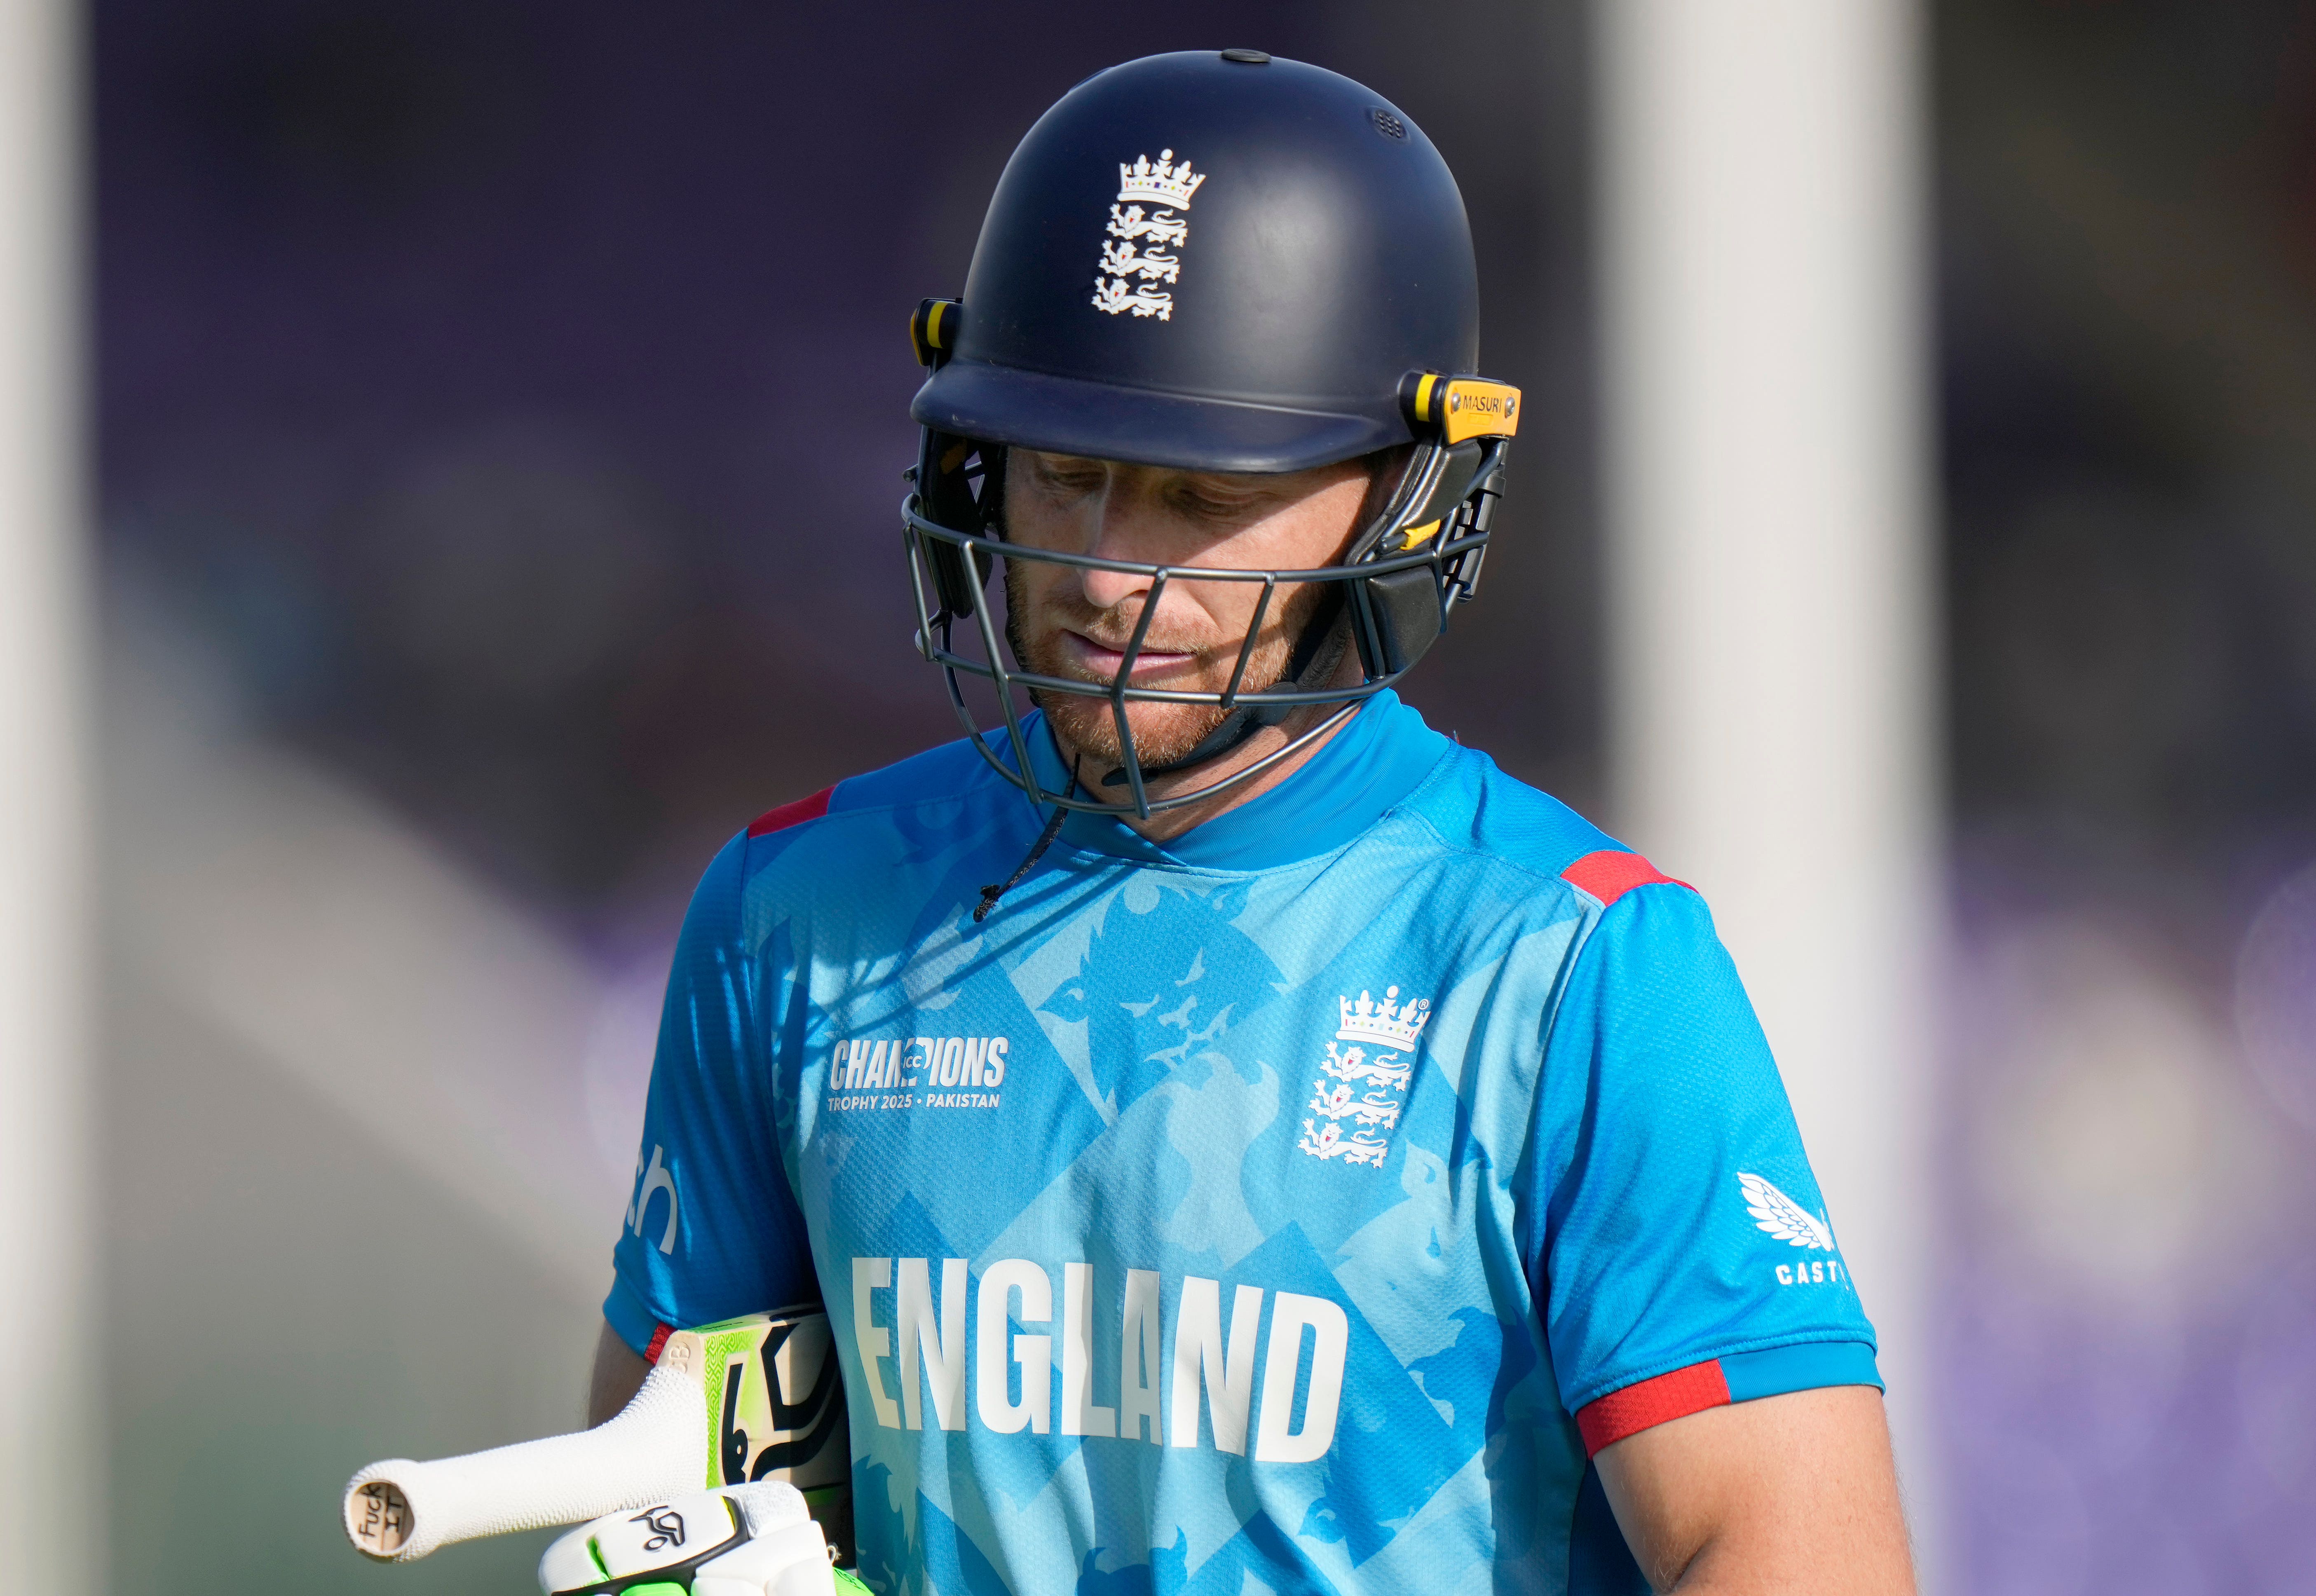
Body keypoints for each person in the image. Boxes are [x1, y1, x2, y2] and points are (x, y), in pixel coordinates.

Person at [592, 49, 1914, 1596]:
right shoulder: (793, 916)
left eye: (1198, 501)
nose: (1100, 574)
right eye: (1062, 474)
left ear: (1407, 497)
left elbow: (1789, 1555)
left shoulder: (1576, 969)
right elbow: (649, 1493)